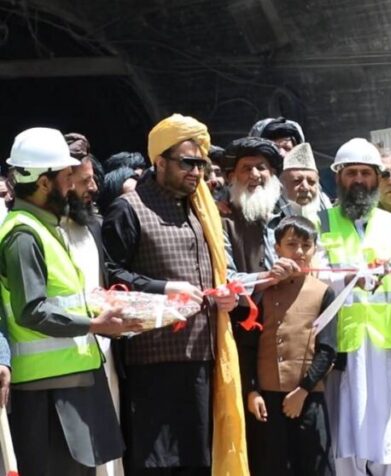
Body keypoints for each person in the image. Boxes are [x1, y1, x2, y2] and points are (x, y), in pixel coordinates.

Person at [102, 114, 245, 475]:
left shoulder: (201, 210)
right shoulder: (128, 209)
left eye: (201, 164)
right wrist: (165, 289)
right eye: (187, 163)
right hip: (153, 362)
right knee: (157, 464)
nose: (196, 172)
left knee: (199, 461)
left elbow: (211, 275)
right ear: (160, 161)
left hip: (202, 358)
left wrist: (224, 297)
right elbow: (111, 277)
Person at [1, 127, 137, 475]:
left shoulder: (44, 227)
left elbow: (64, 300)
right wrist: (94, 324)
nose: (72, 185)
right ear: (44, 182)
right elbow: (32, 311)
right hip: (48, 392)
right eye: (66, 177)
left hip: (71, 382)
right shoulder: (23, 234)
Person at [317, 138, 391, 476]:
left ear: (375, 178)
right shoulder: (322, 222)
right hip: (343, 345)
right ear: (339, 177)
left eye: (365, 173)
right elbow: (314, 278)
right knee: (345, 439)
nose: (358, 180)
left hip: (387, 346)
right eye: (351, 173)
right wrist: (347, 279)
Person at [238, 215, 337, 475]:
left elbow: (327, 350)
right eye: (292, 244)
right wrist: (252, 391)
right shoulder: (261, 290)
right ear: (277, 248)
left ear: (315, 249)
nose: (300, 252)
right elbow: (248, 346)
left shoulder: (323, 292)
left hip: (307, 398)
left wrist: (304, 390)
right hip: (267, 400)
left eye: (306, 245)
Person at [62, 143, 126, 476]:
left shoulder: (92, 226)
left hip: (103, 350)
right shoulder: (39, 230)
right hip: (63, 357)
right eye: (85, 181)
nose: (94, 188)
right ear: (63, 180)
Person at [221, 136, 284, 277]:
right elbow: (227, 277)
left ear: (272, 173)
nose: (255, 175)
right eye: (247, 169)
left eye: (261, 168)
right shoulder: (223, 222)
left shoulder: (286, 216)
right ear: (232, 177)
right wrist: (269, 278)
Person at [277, 142, 331, 223]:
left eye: (311, 182)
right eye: (297, 181)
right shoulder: (271, 215)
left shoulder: (328, 212)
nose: (305, 188)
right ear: (282, 185)